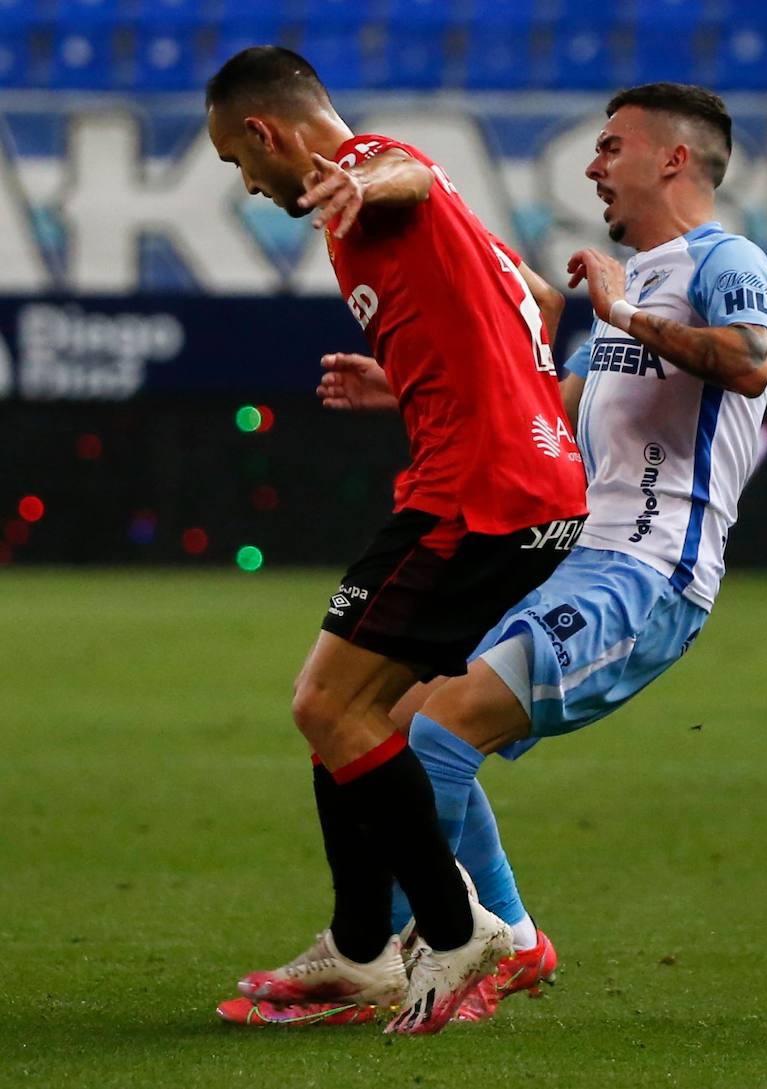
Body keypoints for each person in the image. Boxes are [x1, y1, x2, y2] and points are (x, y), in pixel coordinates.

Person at [227, 81, 767, 1034]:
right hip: (575, 553)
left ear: (674, 159)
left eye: (612, 146)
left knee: (429, 734)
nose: (593, 164)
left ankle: (440, 947)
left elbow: (749, 360)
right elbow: (546, 407)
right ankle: (459, 942)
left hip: (648, 573)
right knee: (388, 718)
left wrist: (621, 308)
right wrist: (403, 388)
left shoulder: (727, 260)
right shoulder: (639, 274)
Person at [204, 45, 588, 1034]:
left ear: (266, 131)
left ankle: (462, 935)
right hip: (524, 481)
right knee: (359, 707)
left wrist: (358, 175)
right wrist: (429, 383)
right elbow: (539, 301)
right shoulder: (438, 218)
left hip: (478, 496)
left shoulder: (380, 171)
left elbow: (400, 172)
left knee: (327, 704)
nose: (247, 184)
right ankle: (363, 949)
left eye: (239, 162)